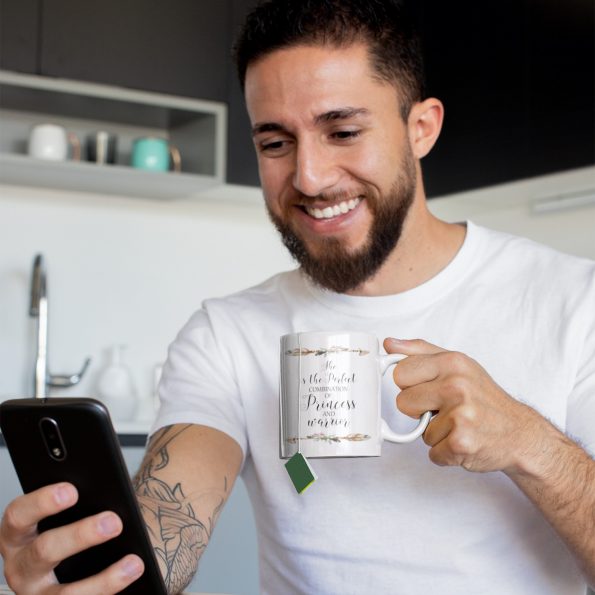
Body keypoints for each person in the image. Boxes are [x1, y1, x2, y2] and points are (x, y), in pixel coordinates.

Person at [1, 1, 594, 593]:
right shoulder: (226, 334)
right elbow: (172, 509)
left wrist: (529, 442)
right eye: (276, 143)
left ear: (422, 128)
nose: (309, 177)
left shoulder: (575, 301)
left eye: (343, 131)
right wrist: (105, 573)